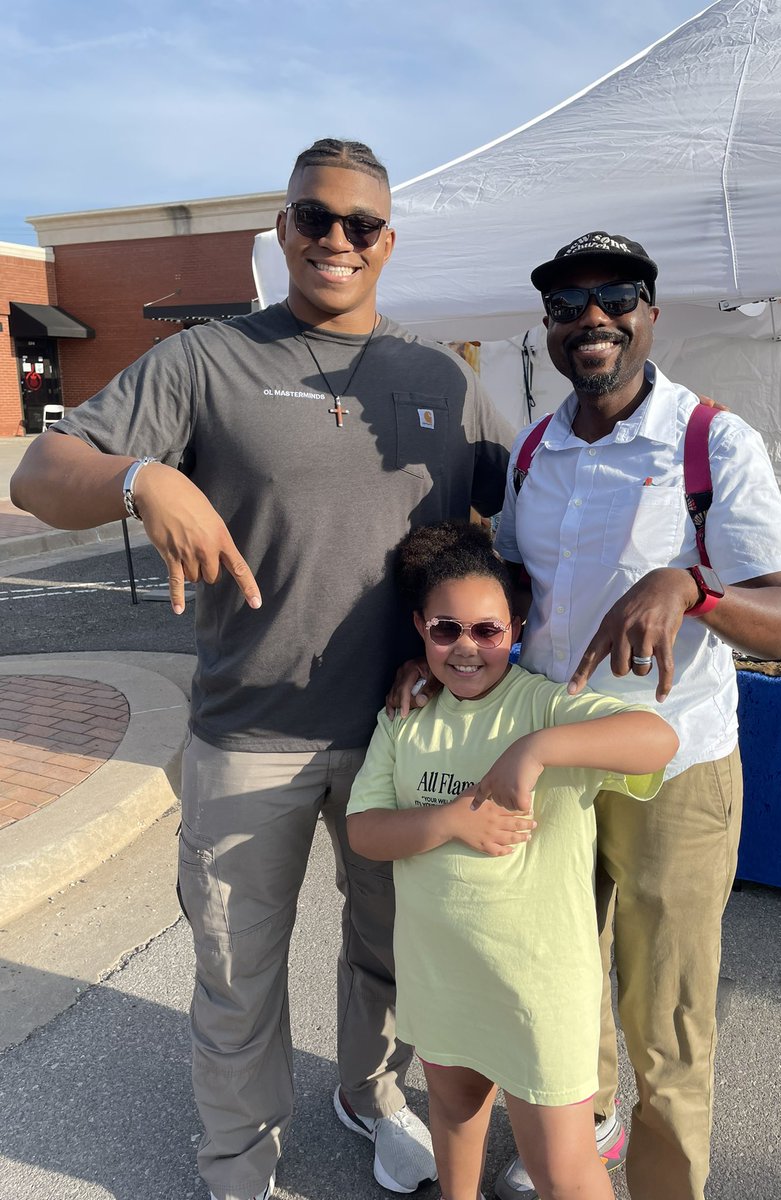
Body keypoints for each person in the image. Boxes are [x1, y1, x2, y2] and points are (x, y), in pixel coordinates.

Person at [10, 139, 512, 1200]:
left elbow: (479, 542)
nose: (336, 240)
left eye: (360, 225)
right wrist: (144, 476)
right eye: (313, 218)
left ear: (388, 241)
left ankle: (369, 1096)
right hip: (251, 735)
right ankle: (239, 1164)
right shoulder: (205, 362)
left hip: (396, 736)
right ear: (281, 230)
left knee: (390, 955)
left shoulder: (441, 380)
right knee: (238, 973)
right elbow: (41, 474)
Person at [389, 231, 781, 1200]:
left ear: (650, 314)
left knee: (664, 1028)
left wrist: (693, 588)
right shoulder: (537, 450)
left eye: (615, 296)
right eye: (568, 304)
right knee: (557, 998)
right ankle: (581, 1149)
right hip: (552, 766)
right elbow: (525, 601)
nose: (593, 318)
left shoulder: (712, 442)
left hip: (675, 771)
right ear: (546, 328)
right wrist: (441, 661)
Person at [347, 520, 678, 1200]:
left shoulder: (539, 707)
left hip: (538, 992)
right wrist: (452, 819)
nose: (465, 648)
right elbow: (365, 831)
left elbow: (656, 739)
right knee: (455, 1119)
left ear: (515, 628)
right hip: (442, 978)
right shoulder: (405, 716)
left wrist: (536, 751)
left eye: (487, 631)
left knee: (562, 1168)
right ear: (420, 628)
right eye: (446, 630)